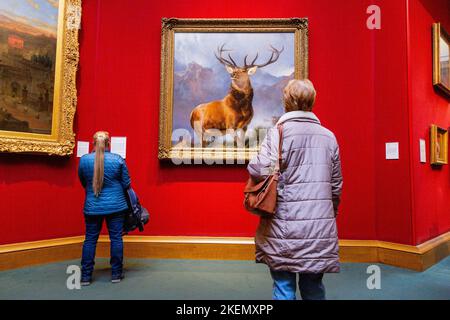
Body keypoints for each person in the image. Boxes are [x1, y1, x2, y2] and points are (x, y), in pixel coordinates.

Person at [247, 79, 343, 300]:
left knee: (283, 285)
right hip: (318, 225)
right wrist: (330, 213)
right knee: (314, 286)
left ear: (287, 101)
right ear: (312, 101)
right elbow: (336, 184)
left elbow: (261, 170)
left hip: (283, 226)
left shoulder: (278, 134)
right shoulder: (329, 137)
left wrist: (270, 165)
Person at [78, 131, 131, 285]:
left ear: (93, 143)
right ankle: (116, 274)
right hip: (116, 206)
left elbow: (84, 182)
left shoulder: (84, 160)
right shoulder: (117, 159)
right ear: (109, 143)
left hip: (92, 206)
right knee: (116, 238)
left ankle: (86, 276)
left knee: (90, 240)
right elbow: (127, 183)